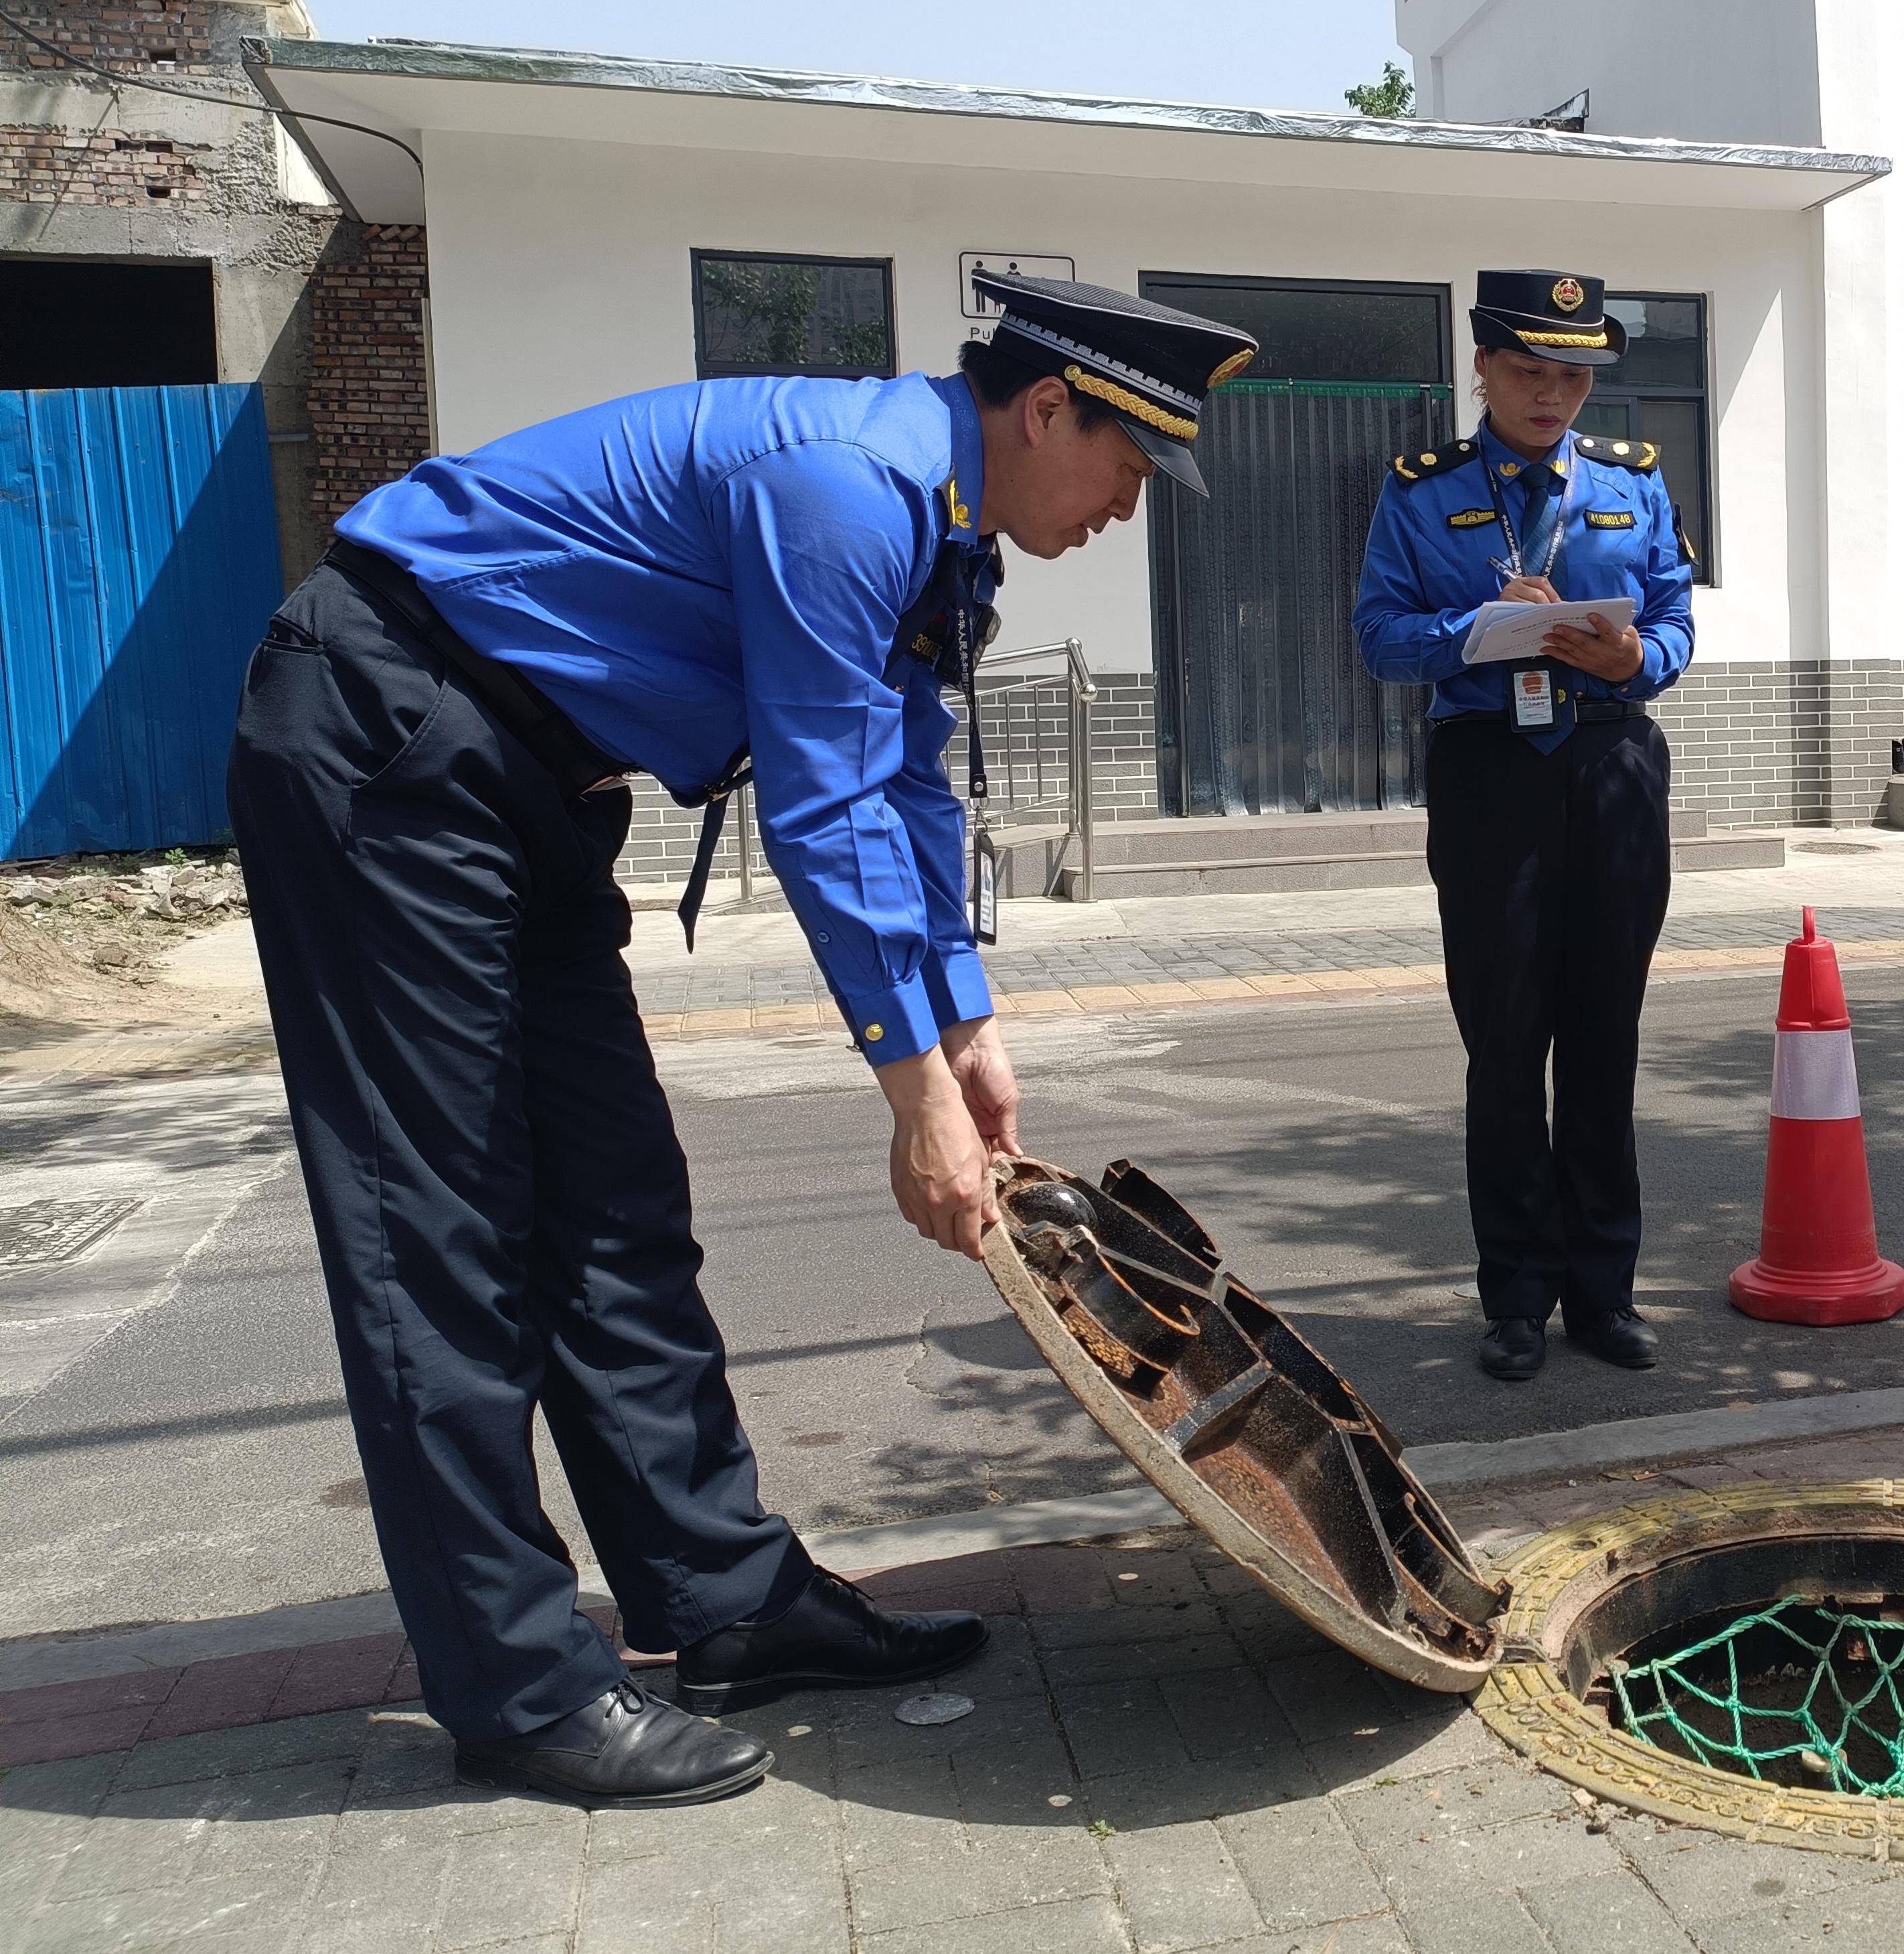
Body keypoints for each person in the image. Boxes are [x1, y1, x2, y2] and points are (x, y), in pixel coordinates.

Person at [228, 275, 1257, 1805]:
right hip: (388, 748)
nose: (1126, 509)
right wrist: (912, 1098)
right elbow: (818, 799)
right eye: (1124, 467)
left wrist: (966, 1027)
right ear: (1046, 410)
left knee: (618, 1208)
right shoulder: (845, 490)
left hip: (534, 788)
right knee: (438, 1233)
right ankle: (513, 1687)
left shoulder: (940, 529)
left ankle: (722, 1602)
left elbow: (900, 779)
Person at [1354, 271, 1698, 1383]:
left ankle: (1605, 1292)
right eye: (1529, 371)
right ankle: (1515, 1294)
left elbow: (1678, 614)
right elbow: (1378, 637)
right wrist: (1484, 630)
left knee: (1605, 1038)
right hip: (1491, 768)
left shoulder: (1631, 482)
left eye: (1573, 374)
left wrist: (1639, 656)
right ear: (1484, 372)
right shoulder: (1420, 492)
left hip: (1610, 761)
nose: (1553, 394)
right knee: (1504, 1044)